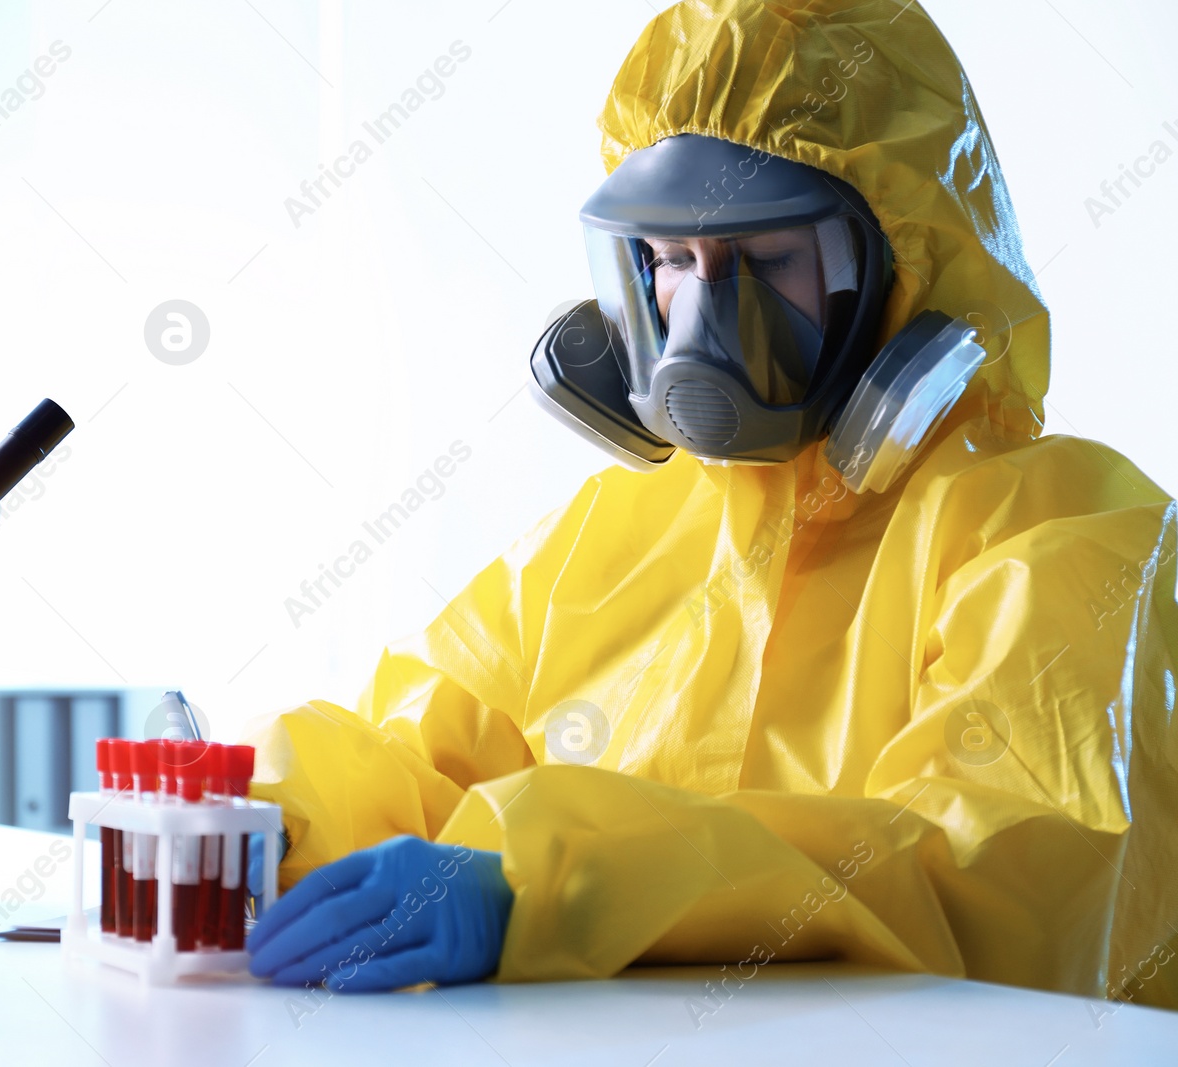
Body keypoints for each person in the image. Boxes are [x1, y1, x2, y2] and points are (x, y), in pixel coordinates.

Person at [245, 0, 1178, 1009]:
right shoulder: (608, 539)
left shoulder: (1068, 533)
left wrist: (560, 881)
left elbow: (995, 872)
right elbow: (414, 748)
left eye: (765, 260)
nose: (701, 316)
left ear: (894, 269)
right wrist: (255, 816)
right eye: (672, 261)